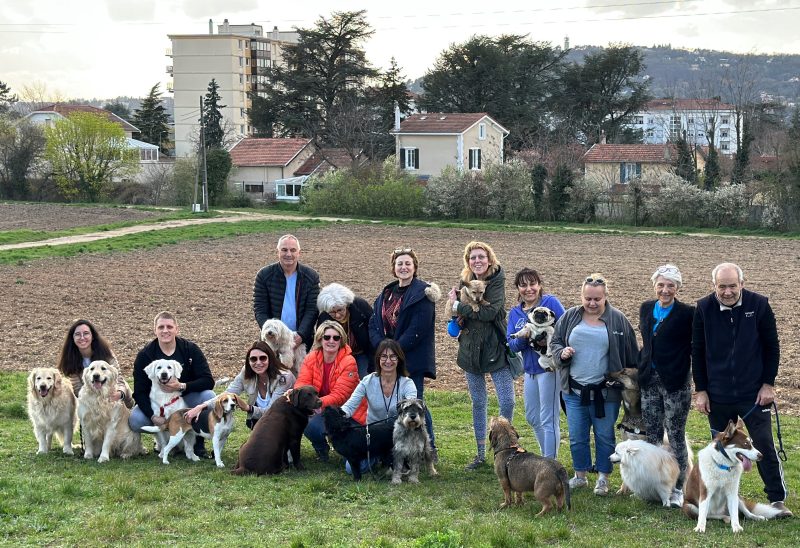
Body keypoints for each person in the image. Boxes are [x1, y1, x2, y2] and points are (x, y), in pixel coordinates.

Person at [692, 262, 791, 517]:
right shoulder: (703, 308)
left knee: (764, 445)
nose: (727, 291)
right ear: (714, 286)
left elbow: (772, 347)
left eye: (732, 286)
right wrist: (701, 390)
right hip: (718, 395)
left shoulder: (759, 305)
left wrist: (768, 384)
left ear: (742, 284)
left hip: (753, 394)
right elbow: (698, 351)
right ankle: (720, 498)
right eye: (721, 286)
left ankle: (777, 498)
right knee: (722, 450)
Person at [551, 273, 639, 496]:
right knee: (577, 435)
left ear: (605, 297)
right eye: (587, 298)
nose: (591, 303)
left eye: (596, 299)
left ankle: (603, 478)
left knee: (604, 435)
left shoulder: (618, 320)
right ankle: (580, 475)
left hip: (605, 392)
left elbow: (631, 356)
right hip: (575, 390)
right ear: (582, 296)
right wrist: (562, 353)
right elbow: (556, 342)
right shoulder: (570, 316)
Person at [446, 241, 515, 471]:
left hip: (495, 346)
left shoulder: (496, 281)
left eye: (481, 257)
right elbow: (457, 310)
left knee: (507, 400)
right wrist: (456, 312)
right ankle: (479, 454)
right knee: (478, 401)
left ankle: (506, 449)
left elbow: (488, 312)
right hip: (469, 349)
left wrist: (458, 305)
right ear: (468, 261)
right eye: (472, 257)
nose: (477, 261)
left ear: (489, 259)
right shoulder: (465, 281)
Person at [369, 247, 440, 459]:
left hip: (411, 360)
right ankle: (398, 449)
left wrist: (392, 351)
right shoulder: (386, 293)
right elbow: (374, 323)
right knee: (398, 406)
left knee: (416, 405)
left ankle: (429, 449)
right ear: (394, 268)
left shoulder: (423, 294)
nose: (403, 267)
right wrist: (382, 348)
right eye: (399, 263)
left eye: (408, 263)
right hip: (388, 359)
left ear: (415, 267)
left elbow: (418, 329)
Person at [637, 264, 694, 508]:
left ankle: (679, 487)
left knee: (676, 435)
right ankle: (654, 484)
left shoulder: (687, 313)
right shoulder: (647, 308)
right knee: (652, 435)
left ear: (678, 288)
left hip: (675, 383)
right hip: (649, 379)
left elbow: (694, 347)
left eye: (670, 285)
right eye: (661, 285)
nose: (665, 290)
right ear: (654, 286)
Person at [129, 311, 216, 458]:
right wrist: (152, 416)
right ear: (154, 330)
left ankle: (198, 443)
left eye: (169, 326)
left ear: (177, 329)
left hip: (186, 400)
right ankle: (163, 443)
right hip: (157, 403)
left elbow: (208, 380)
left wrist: (181, 386)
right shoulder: (145, 355)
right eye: (161, 327)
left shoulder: (190, 349)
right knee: (135, 420)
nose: (165, 330)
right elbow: (139, 392)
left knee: (209, 396)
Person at [506, 268, 565, 459]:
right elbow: (512, 345)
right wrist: (527, 337)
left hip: (549, 369)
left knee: (549, 418)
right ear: (518, 288)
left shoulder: (550, 303)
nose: (529, 289)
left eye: (532, 284)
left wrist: (548, 340)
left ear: (539, 285)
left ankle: (550, 463)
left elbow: (565, 328)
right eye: (523, 285)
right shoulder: (515, 313)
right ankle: (546, 457)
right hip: (530, 370)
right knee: (532, 417)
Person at [339, 339, 418, 474]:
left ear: (399, 359)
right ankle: (381, 458)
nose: (388, 361)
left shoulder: (407, 383)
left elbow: (412, 407)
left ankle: (398, 458)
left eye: (393, 356)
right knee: (351, 469)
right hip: (373, 437)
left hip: (398, 434)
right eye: (384, 356)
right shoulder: (367, 381)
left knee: (404, 468)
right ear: (378, 359)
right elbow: (350, 407)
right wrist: (337, 415)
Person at [184, 341, 295, 429]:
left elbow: (272, 411)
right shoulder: (246, 372)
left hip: (282, 421)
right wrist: (201, 406)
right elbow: (228, 392)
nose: (258, 362)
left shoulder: (284, 378)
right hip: (261, 421)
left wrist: (248, 408)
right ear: (248, 361)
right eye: (253, 359)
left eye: (263, 358)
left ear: (270, 359)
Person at [294, 320, 363, 461]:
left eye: (336, 338)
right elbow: (302, 383)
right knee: (304, 420)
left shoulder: (349, 361)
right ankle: (321, 449)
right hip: (322, 409)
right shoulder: (311, 358)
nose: (331, 341)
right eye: (327, 337)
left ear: (341, 340)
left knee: (352, 460)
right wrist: (302, 399)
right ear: (320, 339)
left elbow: (341, 395)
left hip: (349, 413)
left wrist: (316, 403)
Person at [253, 234, 320, 351]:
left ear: (299, 253)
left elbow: (312, 310)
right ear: (277, 252)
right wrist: (271, 332)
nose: (288, 254)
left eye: (293, 250)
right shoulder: (264, 275)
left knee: (299, 369)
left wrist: (301, 336)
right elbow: (260, 309)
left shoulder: (311, 276)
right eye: (284, 250)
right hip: (272, 339)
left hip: (301, 340)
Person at [57, 319, 133, 407]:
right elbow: (77, 388)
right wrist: (94, 399)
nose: (82, 337)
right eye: (77, 334)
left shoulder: (105, 352)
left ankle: (131, 407)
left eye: (86, 333)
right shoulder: (70, 359)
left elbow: (119, 379)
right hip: (89, 398)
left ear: (92, 336)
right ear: (73, 338)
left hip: (112, 395)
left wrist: (120, 393)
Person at [317, 283, 374, 379]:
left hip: (361, 352)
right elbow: (321, 343)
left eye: (340, 310)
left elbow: (373, 330)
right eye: (332, 312)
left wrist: (373, 362)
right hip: (337, 356)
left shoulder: (360, 306)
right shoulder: (324, 318)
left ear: (346, 304)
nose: (338, 315)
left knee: (365, 380)